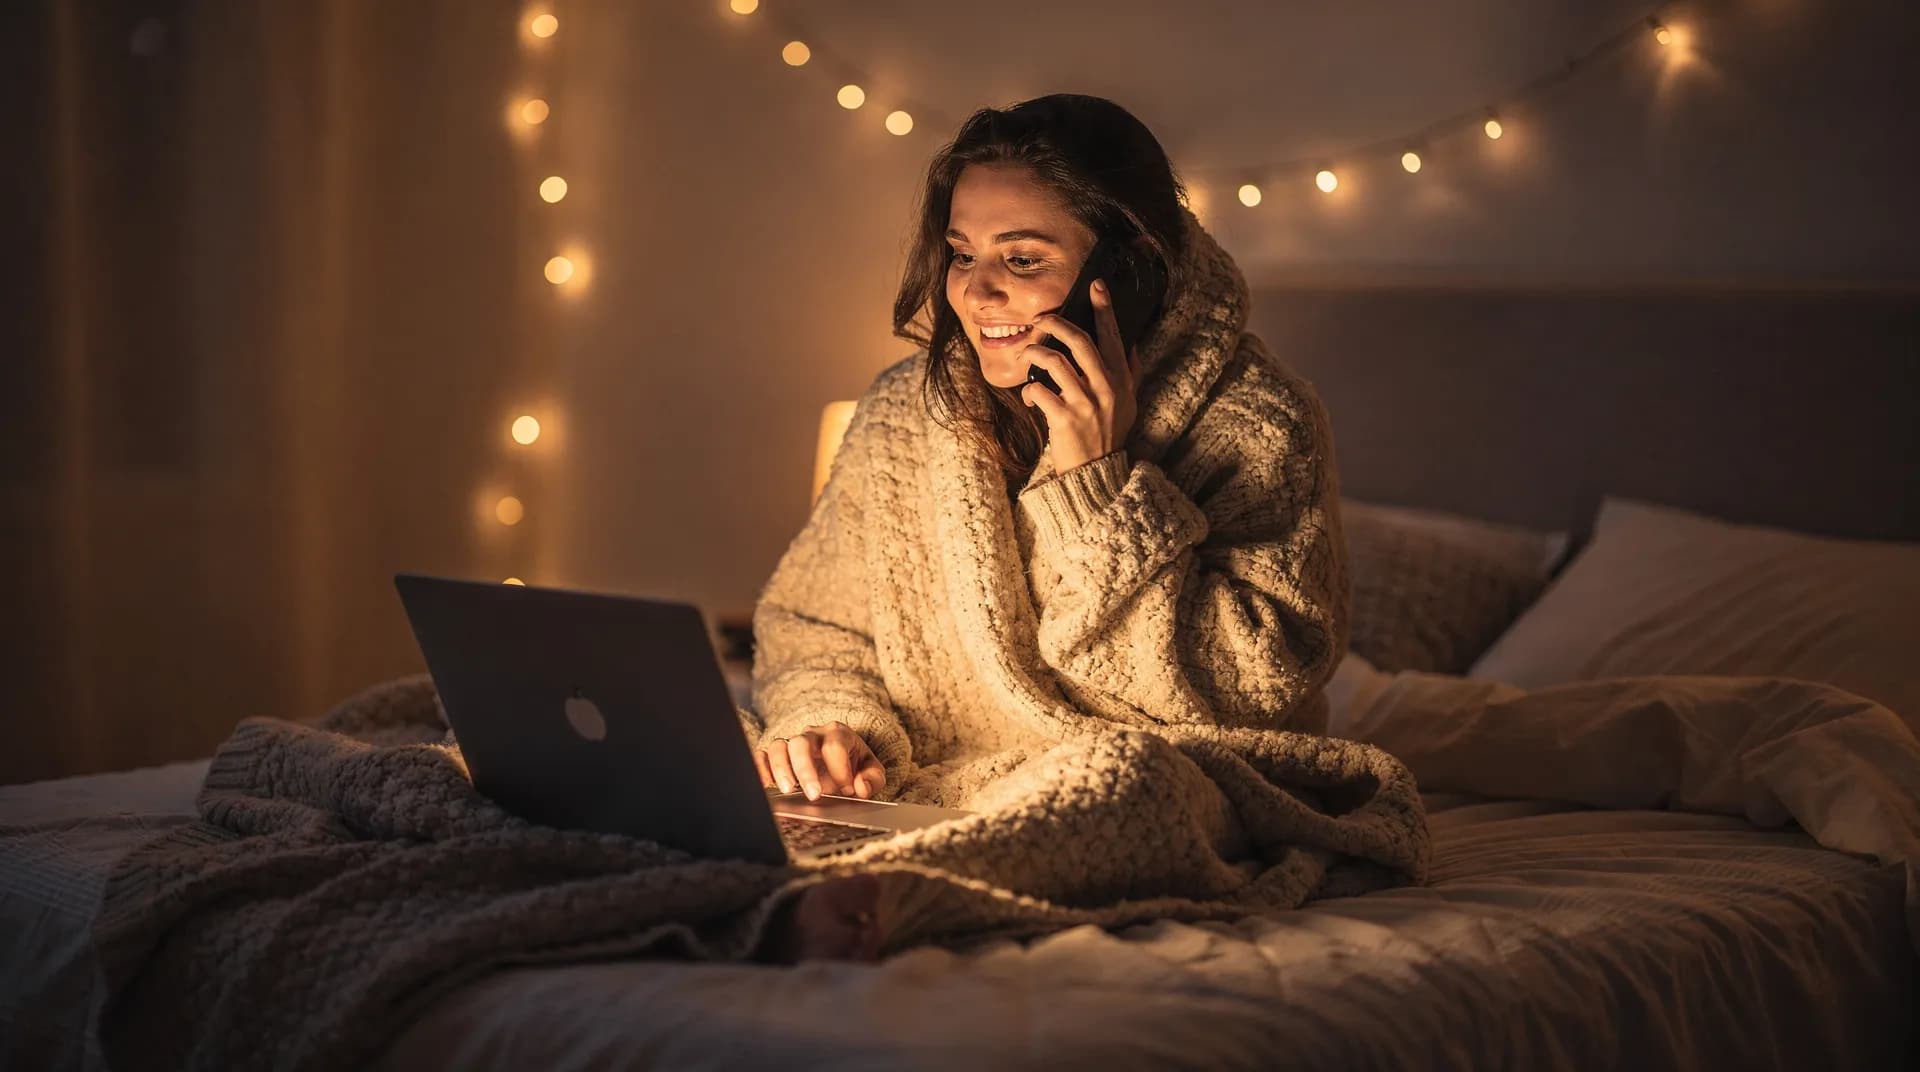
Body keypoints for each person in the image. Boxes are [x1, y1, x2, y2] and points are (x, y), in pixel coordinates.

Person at [749, 94, 1350, 954]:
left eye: (1021, 258)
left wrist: (1096, 484)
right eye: (961, 253)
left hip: (1165, 779)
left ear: (1131, 266)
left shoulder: (1259, 424)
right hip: (927, 783)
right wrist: (827, 726)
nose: (977, 291)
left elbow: (1244, 693)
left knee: (1129, 783)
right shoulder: (899, 416)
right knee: (721, 744)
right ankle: (854, 855)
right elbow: (813, 625)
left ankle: (906, 895)